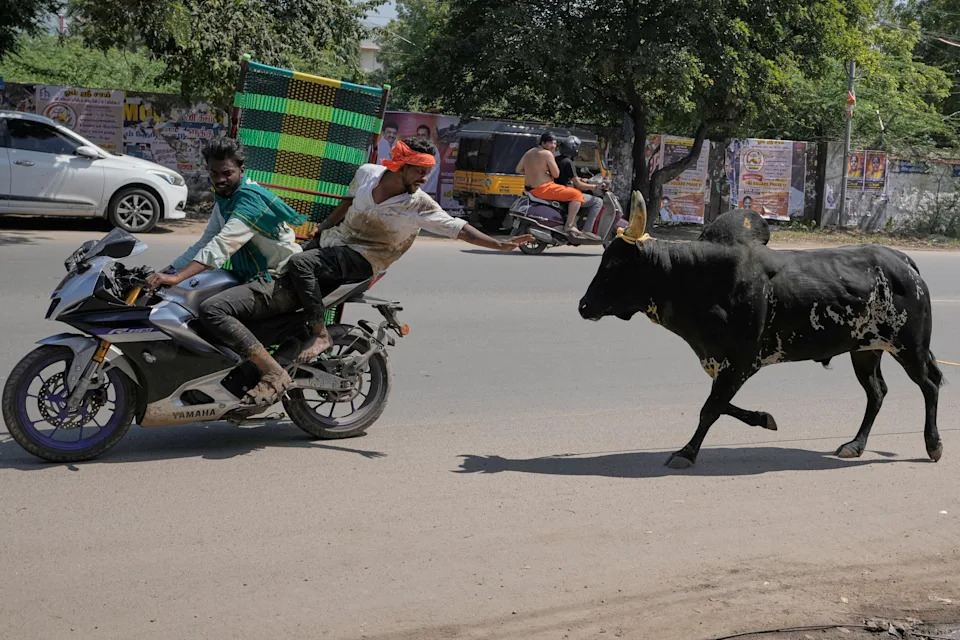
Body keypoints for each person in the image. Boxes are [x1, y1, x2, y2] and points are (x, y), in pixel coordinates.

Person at [197, 137, 536, 407]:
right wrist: (321, 230)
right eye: (419, 172)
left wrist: (500, 244)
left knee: (301, 264)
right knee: (284, 277)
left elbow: (459, 229)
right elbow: (346, 204)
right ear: (400, 166)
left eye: (427, 173)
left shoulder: (418, 205)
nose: (424, 179)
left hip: (366, 258)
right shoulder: (367, 173)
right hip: (334, 244)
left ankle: (321, 333)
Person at [145, 138, 305, 404]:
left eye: (227, 173)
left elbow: (222, 245)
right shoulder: (226, 199)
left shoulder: (250, 200)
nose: (220, 179)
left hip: (280, 279)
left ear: (242, 169)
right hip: (255, 276)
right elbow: (205, 242)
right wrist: (166, 272)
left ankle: (273, 373)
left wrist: (176, 277)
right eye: (214, 173)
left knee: (212, 310)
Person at [516, 132, 588, 240]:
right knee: (577, 195)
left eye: (555, 143)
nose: (553, 146)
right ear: (543, 143)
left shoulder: (529, 152)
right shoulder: (547, 154)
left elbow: (518, 170)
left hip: (529, 189)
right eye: (550, 143)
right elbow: (556, 174)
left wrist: (535, 172)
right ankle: (569, 226)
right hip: (543, 188)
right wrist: (545, 173)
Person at [554, 136, 601, 240]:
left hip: (558, 190)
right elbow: (579, 185)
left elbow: (566, 176)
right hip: (567, 193)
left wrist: (583, 179)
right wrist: (594, 186)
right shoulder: (568, 162)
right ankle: (587, 230)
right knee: (597, 202)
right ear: (572, 148)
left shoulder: (556, 159)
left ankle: (575, 222)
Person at [416, 124, 443, 199]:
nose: (420, 137)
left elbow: (430, 169)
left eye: (423, 135)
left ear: (428, 137)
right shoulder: (415, 149)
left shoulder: (432, 149)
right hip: (416, 188)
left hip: (428, 188)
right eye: (418, 135)